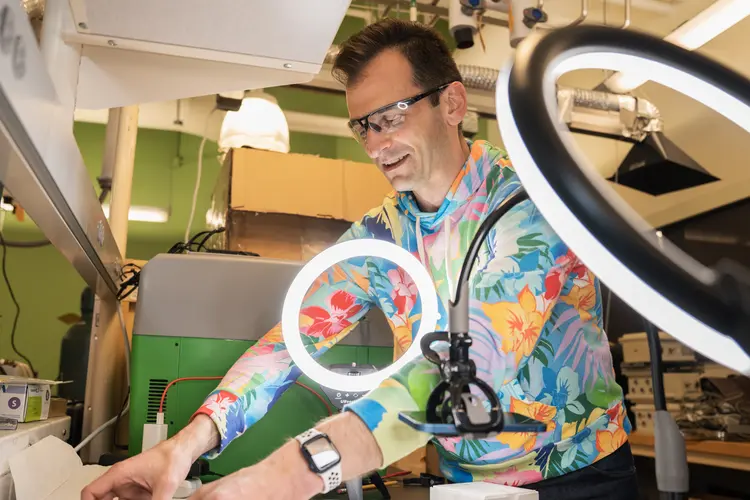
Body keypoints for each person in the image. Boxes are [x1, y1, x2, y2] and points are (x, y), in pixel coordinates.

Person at [82, 18, 639, 500]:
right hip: (463, 481)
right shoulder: (382, 237)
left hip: (577, 477)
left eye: (391, 116)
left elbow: (470, 375)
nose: (374, 145)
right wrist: (186, 445)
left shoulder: (526, 210)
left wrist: (283, 477)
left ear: (453, 103)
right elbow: (287, 346)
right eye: (363, 126)